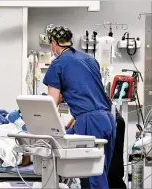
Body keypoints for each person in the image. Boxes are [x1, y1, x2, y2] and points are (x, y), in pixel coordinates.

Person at [43, 26, 116, 189]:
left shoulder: (58, 64)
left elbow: (50, 103)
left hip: (90, 121)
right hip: (108, 119)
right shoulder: (90, 59)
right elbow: (88, 95)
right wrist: (70, 124)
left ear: (54, 43)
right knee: (99, 172)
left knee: (92, 179)